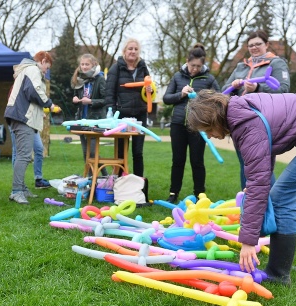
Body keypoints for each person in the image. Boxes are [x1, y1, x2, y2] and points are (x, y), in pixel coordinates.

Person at [186, 90, 296, 285]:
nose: (210, 136)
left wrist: (248, 241)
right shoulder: (241, 110)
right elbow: (261, 165)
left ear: (213, 119)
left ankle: (278, 274)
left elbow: (259, 182)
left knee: (282, 200)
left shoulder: (245, 124)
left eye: (207, 130)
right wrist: (255, 188)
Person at [162, 44, 220, 203]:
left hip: (198, 126)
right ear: (187, 61)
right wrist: (181, 94)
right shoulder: (177, 77)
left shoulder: (209, 78)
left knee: (197, 161)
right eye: (192, 65)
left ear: (203, 65)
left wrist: (202, 97)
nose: (194, 69)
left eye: (198, 66)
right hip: (178, 124)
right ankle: (173, 193)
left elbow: (219, 99)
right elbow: (166, 98)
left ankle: (200, 195)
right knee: (178, 160)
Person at [5, 51, 57, 204]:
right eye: (46, 68)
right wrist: (49, 104)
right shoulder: (33, 69)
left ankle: (21, 187)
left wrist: (39, 112)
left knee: (23, 155)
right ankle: (16, 191)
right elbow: (34, 91)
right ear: (43, 60)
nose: (45, 71)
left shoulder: (26, 69)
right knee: (24, 156)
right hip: (22, 118)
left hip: (19, 116)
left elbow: (27, 95)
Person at [105, 38, 153, 177]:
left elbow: (149, 90)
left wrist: (150, 90)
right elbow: (109, 92)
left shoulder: (143, 67)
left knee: (138, 152)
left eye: (135, 49)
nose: (133, 52)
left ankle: (138, 184)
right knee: (121, 152)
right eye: (130, 49)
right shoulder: (116, 68)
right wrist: (111, 111)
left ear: (139, 52)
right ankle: (119, 182)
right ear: (124, 51)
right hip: (121, 115)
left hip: (140, 114)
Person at [222, 29, 290, 95]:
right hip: (238, 105)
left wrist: (257, 87)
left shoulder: (276, 63)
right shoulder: (241, 66)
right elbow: (224, 90)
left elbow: (284, 90)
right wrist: (234, 86)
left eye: (258, 44)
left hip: (262, 106)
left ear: (266, 45)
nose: (254, 47)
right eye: (251, 46)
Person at [71, 53, 108, 177]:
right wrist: (76, 99)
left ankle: (97, 178)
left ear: (93, 65)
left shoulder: (100, 79)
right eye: (82, 64)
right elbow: (77, 96)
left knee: (92, 152)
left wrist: (91, 101)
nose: (84, 67)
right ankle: (97, 178)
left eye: (87, 64)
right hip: (82, 119)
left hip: (95, 120)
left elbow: (106, 100)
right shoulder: (80, 79)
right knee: (86, 152)